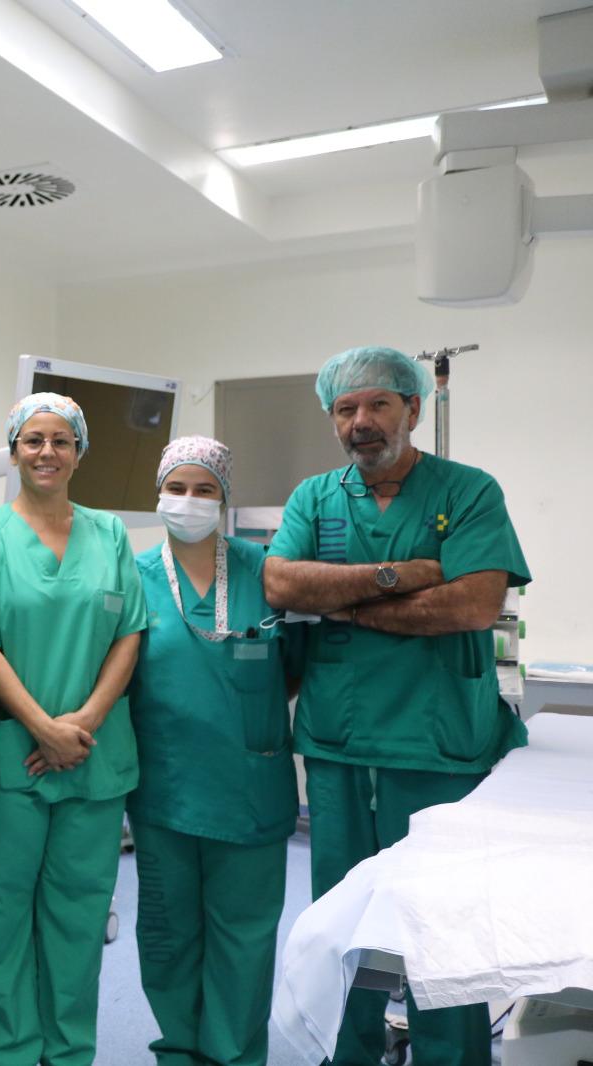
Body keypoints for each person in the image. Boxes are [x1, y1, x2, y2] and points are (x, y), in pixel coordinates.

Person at [264, 346, 530, 1066]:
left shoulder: (468, 491)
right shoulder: (315, 498)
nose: (362, 421)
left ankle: (452, 1056)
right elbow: (283, 585)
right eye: (346, 409)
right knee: (342, 917)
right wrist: (401, 575)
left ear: (413, 408)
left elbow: (473, 604)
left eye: (378, 404)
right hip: (340, 741)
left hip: (439, 742)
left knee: (442, 920)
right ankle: (350, 1051)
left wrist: (346, 603)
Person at [0, 392, 146, 1066]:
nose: (47, 452)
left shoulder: (109, 534)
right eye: (33, 440)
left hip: (94, 755)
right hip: (17, 756)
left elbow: (129, 632)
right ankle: (12, 1052)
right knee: (2, 918)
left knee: (79, 917)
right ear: (14, 450)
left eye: (61, 441)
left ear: (79, 452)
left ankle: (69, 1053)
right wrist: (42, 727)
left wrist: (85, 721)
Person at [127, 435, 298, 1066]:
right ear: (158, 494)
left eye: (205, 489)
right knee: (168, 935)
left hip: (250, 786)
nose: (189, 500)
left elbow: (296, 665)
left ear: (224, 499)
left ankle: (233, 1056)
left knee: (243, 939)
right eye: (177, 487)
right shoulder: (132, 574)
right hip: (165, 789)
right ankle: (178, 1050)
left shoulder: (267, 571)